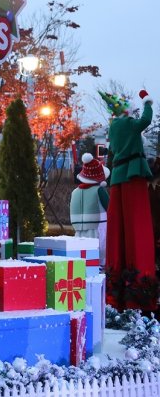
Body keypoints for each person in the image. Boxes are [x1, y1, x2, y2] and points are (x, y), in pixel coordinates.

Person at [100, 89, 156, 310]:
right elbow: (146, 119)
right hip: (133, 176)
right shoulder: (129, 124)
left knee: (119, 230)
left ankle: (117, 290)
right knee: (138, 226)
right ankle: (141, 288)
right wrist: (148, 102)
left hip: (118, 179)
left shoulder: (113, 128)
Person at [70, 152, 110, 264]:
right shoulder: (99, 190)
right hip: (99, 229)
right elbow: (110, 208)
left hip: (79, 232)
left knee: (83, 259)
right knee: (100, 258)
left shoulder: (75, 192)